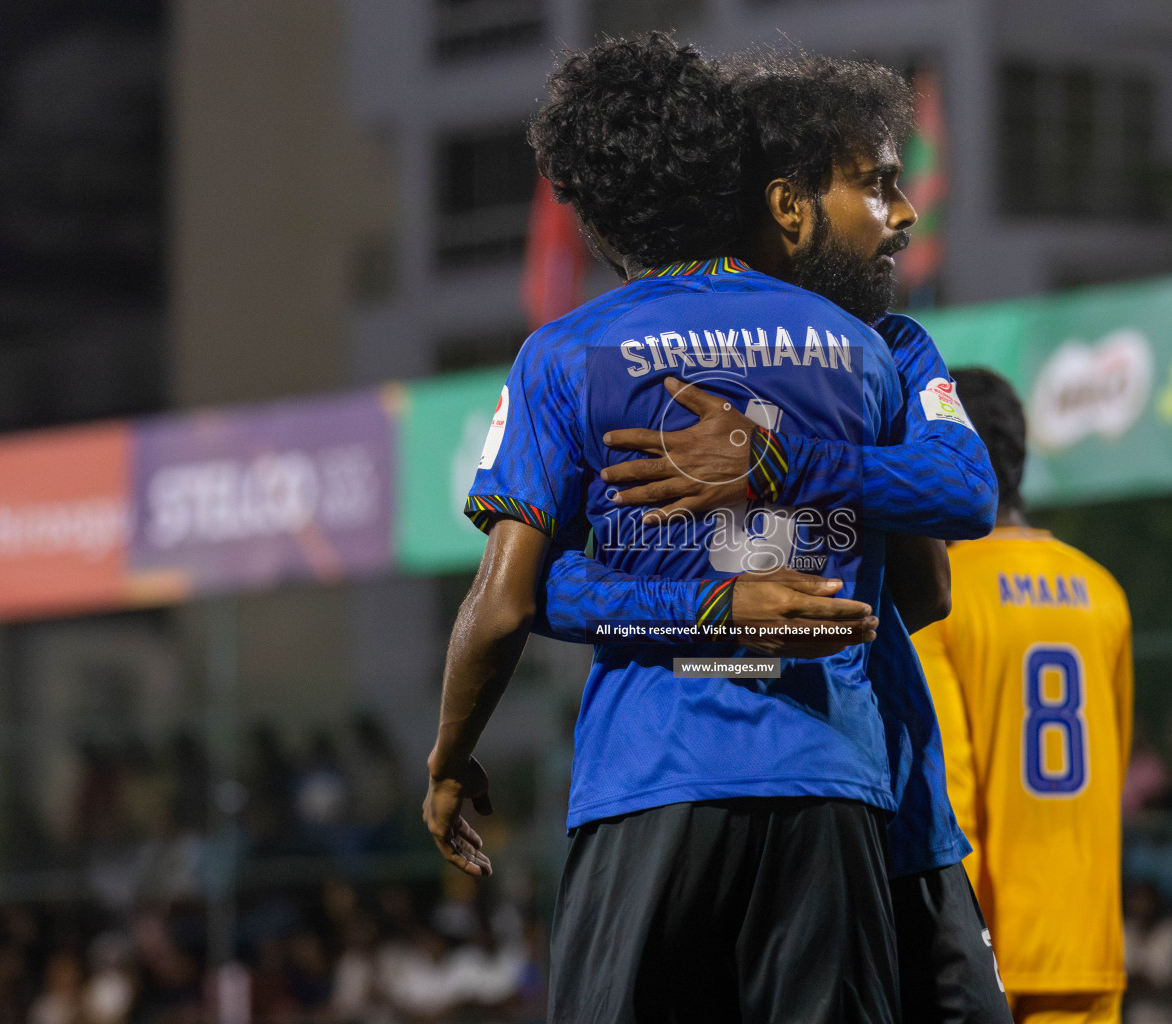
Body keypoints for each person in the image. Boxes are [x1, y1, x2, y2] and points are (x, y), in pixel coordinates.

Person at [424, 35, 997, 1023]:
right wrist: (745, 589)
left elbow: (506, 600)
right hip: (833, 784)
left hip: (651, 777)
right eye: (879, 188)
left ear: (590, 202)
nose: (901, 216)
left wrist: (445, 760)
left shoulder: (565, 352)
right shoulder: (863, 352)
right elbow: (929, 582)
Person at [912, 367, 1134, 1024]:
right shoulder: (1101, 591)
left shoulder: (943, 596)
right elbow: (1111, 773)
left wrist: (947, 960)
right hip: (1091, 945)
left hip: (993, 959)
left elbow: (948, 802)